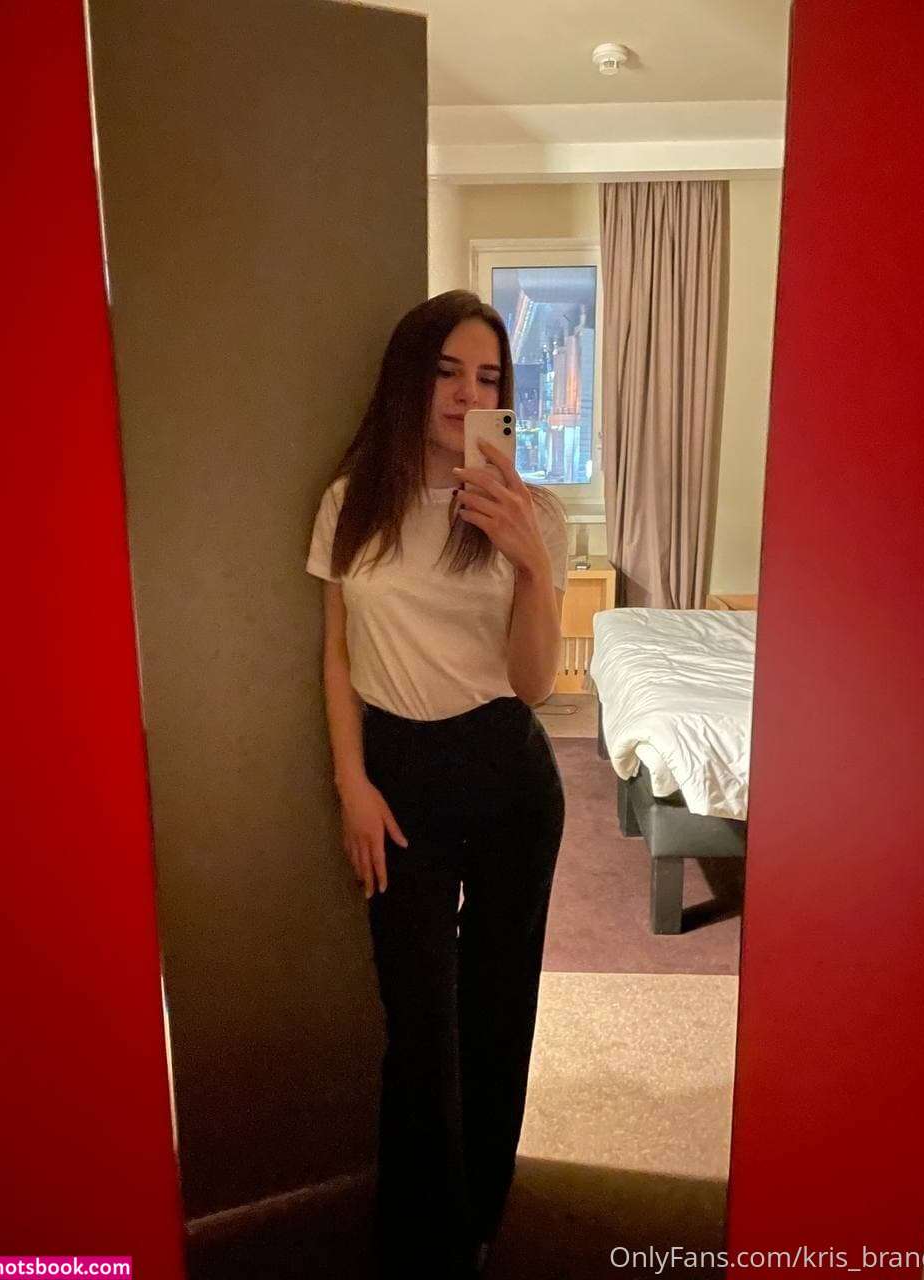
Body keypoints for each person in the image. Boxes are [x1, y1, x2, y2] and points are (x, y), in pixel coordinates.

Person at [305, 289, 568, 1279]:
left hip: (507, 775)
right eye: (448, 371)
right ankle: (421, 1236)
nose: (466, 393)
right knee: (419, 1025)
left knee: (497, 1006)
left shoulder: (528, 511)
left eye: (488, 377)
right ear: (410, 377)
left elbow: (535, 686)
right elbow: (337, 655)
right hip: (399, 779)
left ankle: (480, 1219)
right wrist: (352, 784)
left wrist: (533, 564)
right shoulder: (352, 502)